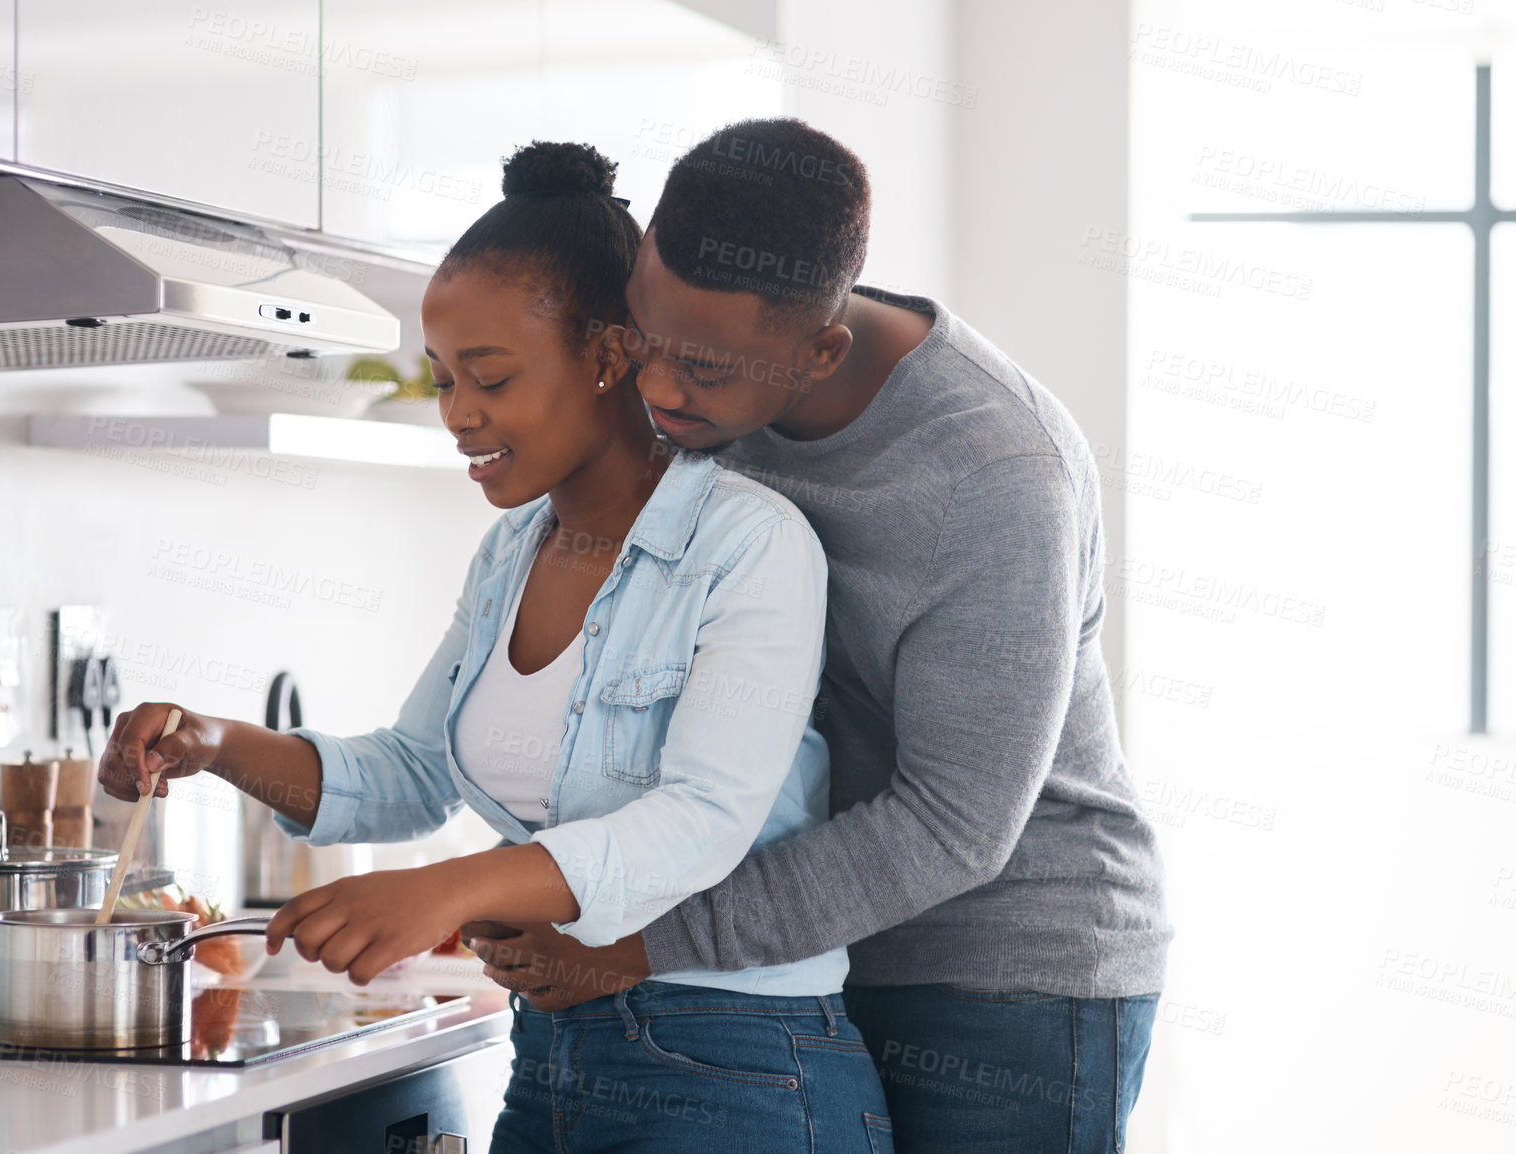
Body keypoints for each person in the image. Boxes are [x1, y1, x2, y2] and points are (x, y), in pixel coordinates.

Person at [98, 141, 893, 1154]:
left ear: (607, 354)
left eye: (490, 377)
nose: (458, 415)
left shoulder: (749, 545)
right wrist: (212, 742)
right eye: (441, 381)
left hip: (739, 1065)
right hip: (555, 1057)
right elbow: (410, 771)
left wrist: (452, 885)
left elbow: (700, 822)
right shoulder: (512, 550)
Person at [464, 118, 1173, 1154]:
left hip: (1003, 974)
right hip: (797, 953)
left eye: (702, 368)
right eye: (644, 339)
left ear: (820, 348)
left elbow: (953, 823)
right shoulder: (699, 383)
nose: (659, 391)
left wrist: (641, 943)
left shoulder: (990, 476)